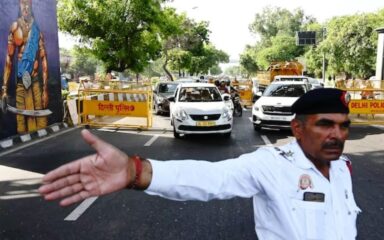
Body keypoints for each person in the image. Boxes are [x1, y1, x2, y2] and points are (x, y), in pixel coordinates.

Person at [39, 88, 361, 240]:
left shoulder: (342, 168)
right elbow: (211, 177)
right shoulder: (271, 164)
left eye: (343, 126)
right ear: (297, 128)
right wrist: (135, 171)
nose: (336, 134)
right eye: (325, 124)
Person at [1, 0, 49, 134]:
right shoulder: (15, 27)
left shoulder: (37, 30)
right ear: (19, 5)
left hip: (35, 82)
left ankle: (43, 150)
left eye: (28, 3)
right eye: (23, 3)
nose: (26, 7)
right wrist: (4, 89)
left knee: (41, 122)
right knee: (21, 124)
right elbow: (8, 59)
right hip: (21, 82)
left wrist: (45, 89)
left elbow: (44, 58)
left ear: (32, 5)